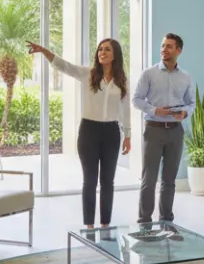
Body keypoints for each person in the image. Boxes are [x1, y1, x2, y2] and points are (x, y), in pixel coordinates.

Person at [26, 38, 131, 230]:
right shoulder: (88, 74)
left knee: (108, 181)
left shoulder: (122, 79)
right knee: (89, 180)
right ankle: (89, 226)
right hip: (89, 131)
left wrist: (128, 135)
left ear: (115, 54)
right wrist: (44, 51)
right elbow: (64, 66)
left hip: (111, 132)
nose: (102, 53)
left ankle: (106, 224)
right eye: (100, 49)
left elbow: (125, 109)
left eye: (107, 50)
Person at [131, 33, 194, 223]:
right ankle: (144, 221)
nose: (164, 49)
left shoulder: (186, 77)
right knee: (149, 179)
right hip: (154, 129)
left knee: (169, 180)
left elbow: (191, 103)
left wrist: (184, 113)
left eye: (169, 46)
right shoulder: (149, 74)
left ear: (178, 51)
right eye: (163, 45)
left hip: (175, 131)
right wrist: (154, 110)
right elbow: (136, 99)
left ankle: (166, 220)